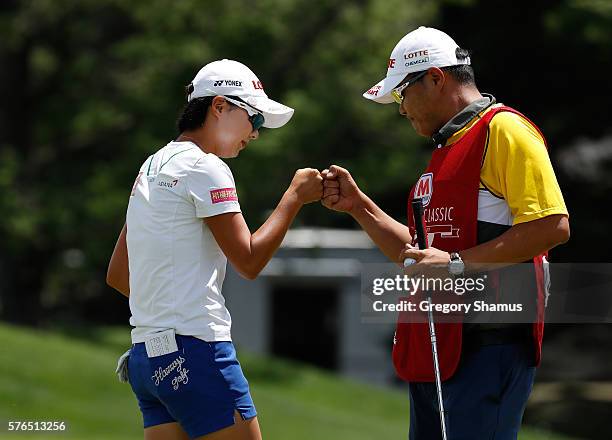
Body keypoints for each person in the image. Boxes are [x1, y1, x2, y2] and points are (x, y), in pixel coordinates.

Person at [321, 26, 570, 439]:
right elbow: (421, 258)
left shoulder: (504, 129)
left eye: (402, 94)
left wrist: (456, 265)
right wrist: (358, 206)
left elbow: (552, 225)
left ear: (436, 78)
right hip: (440, 348)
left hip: (488, 346)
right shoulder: (447, 148)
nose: (400, 109)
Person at [106, 59, 323, 440]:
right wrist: (295, 197)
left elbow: (119, 276)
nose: (255, 134)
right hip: (196, 352)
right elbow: (249, 261)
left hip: (146, 358)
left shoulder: (151, 166)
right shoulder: (207, 167)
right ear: (219, 106)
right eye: (254, 120)